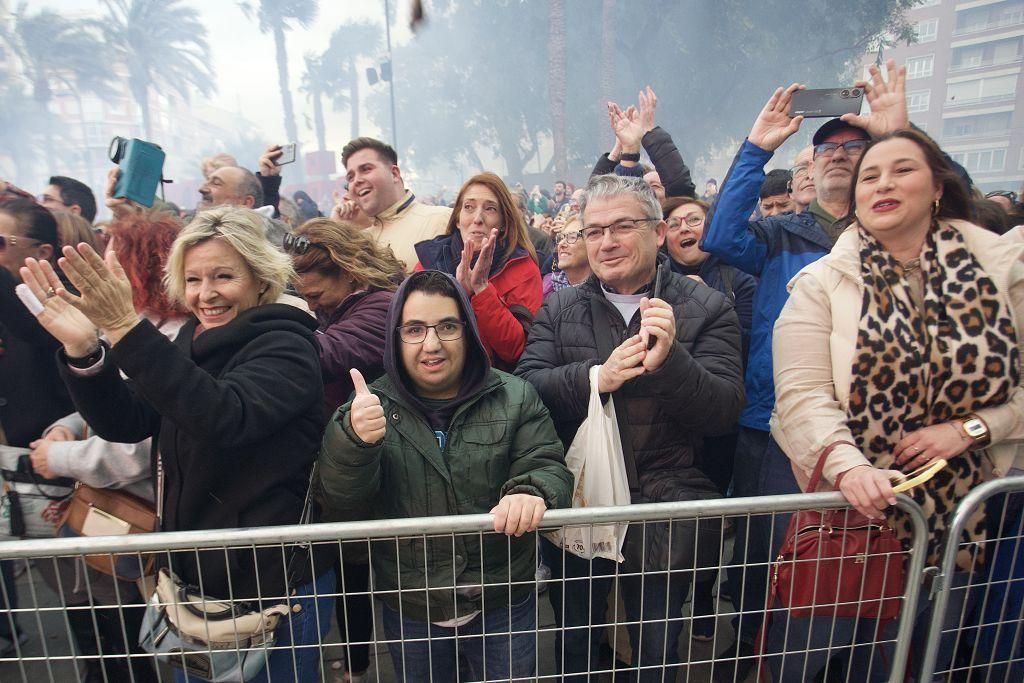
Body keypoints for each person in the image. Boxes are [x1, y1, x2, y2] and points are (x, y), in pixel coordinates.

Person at [19, 206, 335, 682]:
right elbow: (126, 419)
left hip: (272, 589)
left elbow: (223, 416)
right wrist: (86, 351)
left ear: (260, 278)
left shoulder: (288, 345)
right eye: (192, 280)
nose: (205, 294)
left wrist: (126, 327)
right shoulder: (192, 338)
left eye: (223, 276)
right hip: (193, 584)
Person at [769, 128, 1024, 681]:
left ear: (937, 186)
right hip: (848, 518)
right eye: (870, 176)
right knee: (810, 658)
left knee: (921, 658)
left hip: (964, 518)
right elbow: (801, 393)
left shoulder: (1006, 268)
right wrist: (847, 464)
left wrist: (974, 428)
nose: (883, 183)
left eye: (902, 170)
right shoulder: (822, 282)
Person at [700, 62, 919, 672]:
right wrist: (755, 148)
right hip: (773, 427)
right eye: (827, 148)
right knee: (764, 561)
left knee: (852, 563)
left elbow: (952, 209)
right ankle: (753, 657)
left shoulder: (893, 236)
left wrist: (899, 134)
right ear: (810, 164)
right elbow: (718, 236)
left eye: (857, 147)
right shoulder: (779, 236)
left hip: (871, 428)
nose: (839, 156)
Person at [516, 174, 744, 681]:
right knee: (576, 637)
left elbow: (724, 410)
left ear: (658, 232)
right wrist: (596, 377)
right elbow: (527, 387)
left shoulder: (706, 308)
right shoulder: (560, 306)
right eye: (594, 231)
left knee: (656, 645)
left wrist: (672, 363)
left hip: (667, 501)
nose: (606, 242)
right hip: (584, 497)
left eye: (622, 226)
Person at [317, 269, 572, 682]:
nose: (431, 344)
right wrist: (353, 442)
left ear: (468, 331)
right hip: (412, 604)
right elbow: (342, 503)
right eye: (414, 329)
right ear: (395, 337)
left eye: (447, 326)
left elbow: (544, 462)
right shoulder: (368, 406)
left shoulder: (515, 396)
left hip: (502, 599)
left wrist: (531, 490)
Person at [29, 211, 185, 683]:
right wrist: (67, 425)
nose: (104, 265)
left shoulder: (170, 335)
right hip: (122, 508)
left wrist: (56, 458)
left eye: (115, 256)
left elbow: (136, 444)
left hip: (139, 513)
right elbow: (114, 404)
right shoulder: (135, 323)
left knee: (137, 644)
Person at [283, 217, 404, 682]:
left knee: (365, 573)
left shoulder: (379, 306)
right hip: (353, 456)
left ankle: (365, 664)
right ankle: (357, 662)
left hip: (376, 462)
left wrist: (276, 318)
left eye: (315, 297)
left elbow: (324, 355)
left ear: (349, 272)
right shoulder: (348, 305)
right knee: (351, 571)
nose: (312, 306)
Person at [0, 198, 69, 657]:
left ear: (42, 251)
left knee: (92, 590)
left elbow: (35, 331)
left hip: (65, 461)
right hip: (18, 459)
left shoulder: (62, 300)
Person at [413, 172, 542, 371]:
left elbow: (516, 350)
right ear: (457, 218)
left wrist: (481, 290)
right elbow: (411, 332)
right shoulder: (429, 261)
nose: (477, 218)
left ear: (504, 222)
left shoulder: (522, 268)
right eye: (469, 207)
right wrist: (459, 294)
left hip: (495, 384)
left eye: (490, 209)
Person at [341, 137, 450, 271]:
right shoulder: (356, 240)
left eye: (366, 169)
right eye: (350, 177)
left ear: (394, 174)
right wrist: (340, 230)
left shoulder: (442, 220)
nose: (357, 180)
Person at [592, 87, 697, 200]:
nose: (648, 191)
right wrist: (625, 148)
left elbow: (680, 191)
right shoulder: (635, 211)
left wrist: (649, 130)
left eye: (655, 186)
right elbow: (595, 199)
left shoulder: (676, 214)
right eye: (643, 186)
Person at [542, 211, 591, 297]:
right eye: (561, 238)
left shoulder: (608, 291)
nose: (562, 244)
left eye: (572, 237)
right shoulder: (546, 289)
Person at [789, 145, 815, 211]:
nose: (810, 176)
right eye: (802, 169)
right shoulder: (773, 221)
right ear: (790, 187)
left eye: (818, 167)